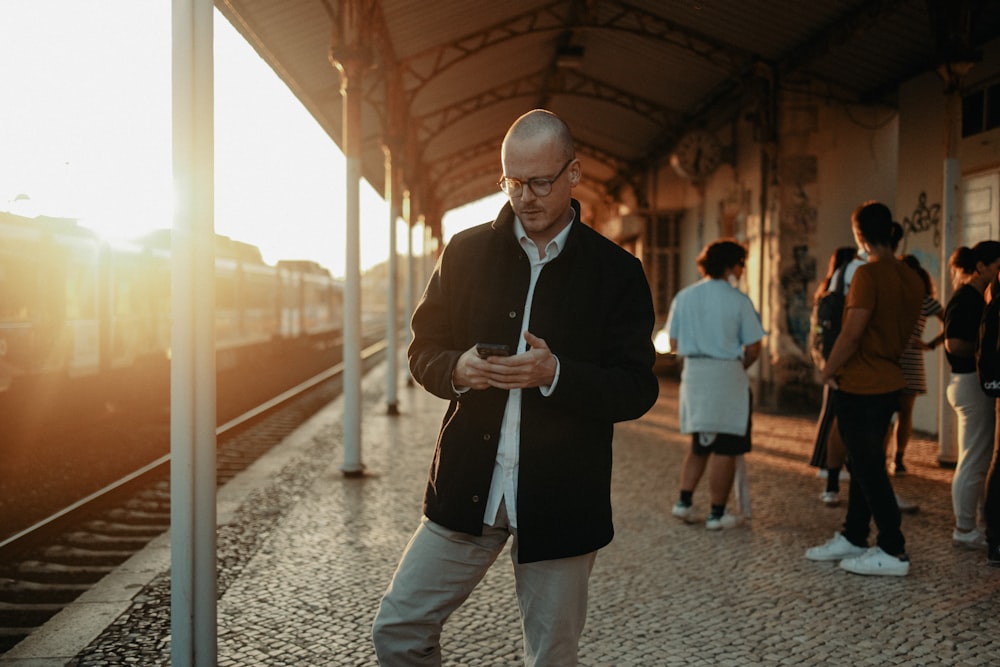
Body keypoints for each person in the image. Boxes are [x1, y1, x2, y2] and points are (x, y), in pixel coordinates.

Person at [371, 109, 659, 666]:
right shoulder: (465, 250)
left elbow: (637, 387)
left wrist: (557, 374)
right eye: (512, 182)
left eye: (540, 182)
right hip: (466, 487)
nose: (524, 196)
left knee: (550, 658)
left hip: (562, 498)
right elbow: (421, 349)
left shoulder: (617, 270)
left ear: (573, 173)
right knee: (399, 629)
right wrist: (458, 369)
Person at [804, 201, 923, 577]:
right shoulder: (912, 278)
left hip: (858, 383)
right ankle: (855, 535)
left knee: (868, 467)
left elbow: (853, 332)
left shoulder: (867, 276)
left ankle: (892, 546)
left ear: (859, 235)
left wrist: (827, 369)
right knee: (863, 462)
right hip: (889, 379)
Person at [664, 239, 765, 530]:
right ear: (732, 266)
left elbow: (673, 342)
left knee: (700, 442)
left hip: (695, 374)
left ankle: (683, 502)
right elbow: (754, 347)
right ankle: (717, 513)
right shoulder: (738, 300)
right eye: (741, 264)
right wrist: (737, 367)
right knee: (728, 445)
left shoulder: (684, 296)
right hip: (727, 374)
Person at [942, 241, 1000, 550]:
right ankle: (964, 528)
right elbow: (954, 343)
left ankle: (972, 523)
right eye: (997, 265)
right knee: (973, 458)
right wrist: (984, 351)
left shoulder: (976, 296)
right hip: (968, 382)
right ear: (981, 267)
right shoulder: (967, 297)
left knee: (976, 456)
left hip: (968, 383)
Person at [809, 246, 863, 507]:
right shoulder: (855, 278)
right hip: (847, 361)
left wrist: (825, 364)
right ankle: (837, 478)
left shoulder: (828, 286)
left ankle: (831, 480)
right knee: (842, 422)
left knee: (834, 417)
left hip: (832, 359)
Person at [890, 254, 944, 475]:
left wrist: (930, 345)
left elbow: (950, 321)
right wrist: (930, 345)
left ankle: (897, 457)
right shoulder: (918, 299)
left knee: (897, 413)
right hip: (899, 360)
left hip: (897, 359)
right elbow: (949, 321)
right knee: (900, 412)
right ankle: (894, 458)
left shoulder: (919, 300)